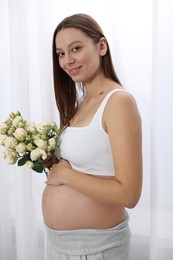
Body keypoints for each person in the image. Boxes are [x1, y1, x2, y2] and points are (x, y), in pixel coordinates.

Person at [42, 13, 142, 260]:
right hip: (62, 245)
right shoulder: (80, 103)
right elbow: (90, 165)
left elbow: (129, 194)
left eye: (76, 48)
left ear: (102, 46)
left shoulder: (118, 102)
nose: (67, 61)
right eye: (61, 53)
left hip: (96, 249)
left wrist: (66, 175)